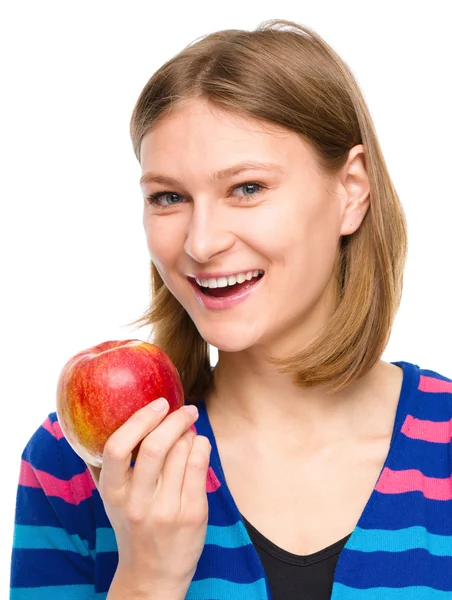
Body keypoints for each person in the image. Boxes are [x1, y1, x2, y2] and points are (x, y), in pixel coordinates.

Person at [9, 18, 452, 600]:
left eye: (247, 188)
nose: (201, 242)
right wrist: (148, 578)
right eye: (169, 197)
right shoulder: (80, 462)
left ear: (351, 191)